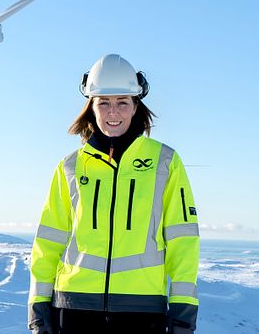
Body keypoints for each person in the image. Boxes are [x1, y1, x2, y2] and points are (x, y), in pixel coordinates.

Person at [27, 54, 199, 334]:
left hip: (142, 311)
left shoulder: (165, 162)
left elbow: (183, 241)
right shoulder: (69, 166)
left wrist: (183, 308)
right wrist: (38, 304)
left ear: (135, 107)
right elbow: (48, 241)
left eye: (122, 102)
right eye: (104, 103)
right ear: (91, 107)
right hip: (73, 308)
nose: (113, 112)